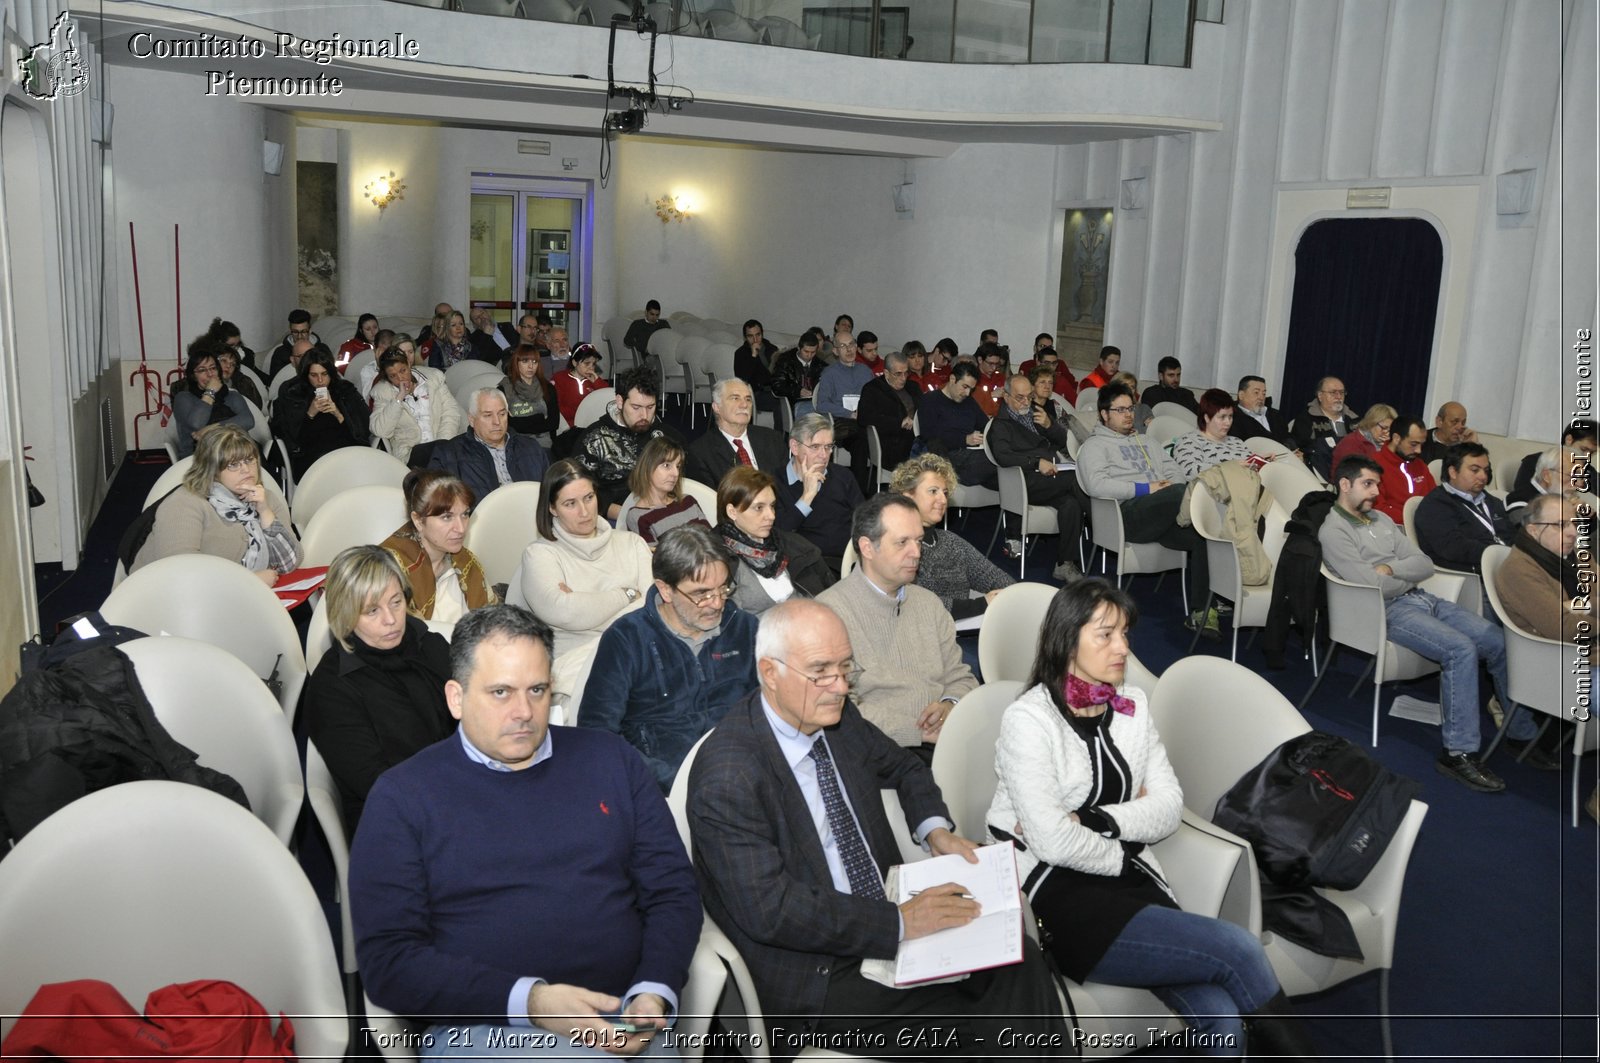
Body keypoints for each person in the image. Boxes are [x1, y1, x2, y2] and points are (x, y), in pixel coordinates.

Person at [687, 599, 1069, 1061]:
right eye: (821, 671)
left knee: (1020, 962)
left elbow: (906, 767)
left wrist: (935, 832)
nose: (839, 686)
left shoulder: (837, 719)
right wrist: (900, 922)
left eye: (846, 668)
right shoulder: (728, 774)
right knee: (987, 1031)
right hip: (818, 973)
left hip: (891, 913)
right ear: (770, 673)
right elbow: (772, 910)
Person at [349, 604, 701, 1056]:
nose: (524, 711)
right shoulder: (403, 797)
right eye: (500, 692)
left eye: (537, 690)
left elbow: (672, 890)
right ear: (455, 698)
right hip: (489, 1026)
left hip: (625, 1015)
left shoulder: (611, 760)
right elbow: (389, 961)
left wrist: (653, 990)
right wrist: (531, 1002)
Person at [987, 579, 1313, 1059]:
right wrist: (1117, 850)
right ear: (1066, 639)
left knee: (1222, 1017)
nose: (1122, 648)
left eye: (1125, 634)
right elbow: (1053, 845)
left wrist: (1096, 820)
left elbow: (1166, 807)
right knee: (1240, 949)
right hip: (1057, 896)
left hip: (1131, 882)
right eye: (1105, 635)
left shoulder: (1132, 705)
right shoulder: (1029, 721)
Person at [1319, 455, 1551, 789]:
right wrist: (1395, 575)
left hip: (1422, 598)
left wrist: (1392, 569)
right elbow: (1374, 587)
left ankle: (1519, 733)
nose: (1376, 491)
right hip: (1385, 611)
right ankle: (1458, 753)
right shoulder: (1334, 530)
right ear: (1344, 485)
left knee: (1498, 641)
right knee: (1460, 649)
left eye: (1376, 484)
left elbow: (1423, 564)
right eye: (1367, 484)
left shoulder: (1381, 518)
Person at [580, 524, 760, 791]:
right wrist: (675, 782)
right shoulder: (627, 639)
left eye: (723, 588)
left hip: (746, 776)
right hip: (664, 788)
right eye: (701, 593)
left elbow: (777, 709)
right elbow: (597, 736)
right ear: (665, 590)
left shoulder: (745, 629)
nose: (717, 603)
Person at [304, 545, 455, 832]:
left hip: (459, 796)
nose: (390, 619)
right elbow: (377, 784)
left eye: (396, 602)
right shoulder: (333, 687)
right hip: (397, 824)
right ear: (345, 615)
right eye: (372, 611)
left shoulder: (428, 644)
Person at [818, 494, 977, 753]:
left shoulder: (928, 603)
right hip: (879, 749)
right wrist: (918, 732)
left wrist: (950, 704)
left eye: (918, 540)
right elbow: (840, 711)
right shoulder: (828, 615)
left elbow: (960, 676)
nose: (916, 553)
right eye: (902, 542)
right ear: (868, 548)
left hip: (945, 736)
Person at [511, 459, 654, 700]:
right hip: (572, 670)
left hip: (636, 655)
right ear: (552, 508)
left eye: (589, 498)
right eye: (570, 503)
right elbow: (564, 611)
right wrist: (627, 594)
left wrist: (587, 606)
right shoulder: (540, 554)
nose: (585, 511)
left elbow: (652, 608)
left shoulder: (632, 543)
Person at [1078, 383, 1213, 636]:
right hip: (1126, 516)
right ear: (1104, 414)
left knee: (1203, 536)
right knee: (1190, 495)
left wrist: (1165, 487)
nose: (1129, 414)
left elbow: (1176, 471)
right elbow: (1097, 485)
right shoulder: (1094, 446)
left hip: (1163, 512)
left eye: (1130, 408)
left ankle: (1201, 612)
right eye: (1120, 410)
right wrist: (1145, 488)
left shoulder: (1147, 441)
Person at [132, 423, 299, 585]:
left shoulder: (265, 498)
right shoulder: (184, 504)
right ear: (212, 470)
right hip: (168, 601)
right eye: (233, 465)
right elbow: (180, 574)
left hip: (238, 599)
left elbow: (290, 563)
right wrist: (249, 582)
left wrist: (264, 511)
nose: (246, 470)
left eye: (250, 460)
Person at [891, 453, 1014, 620]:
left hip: (958, 631)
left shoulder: (950, 541)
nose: (942, 499)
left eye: (945, 492)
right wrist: (981, 604)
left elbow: (993, 576)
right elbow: (912, 603)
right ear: (907, 496)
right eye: (933, 491)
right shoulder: (894, 546)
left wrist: (1012, 594)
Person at [989, 373, 1085, 581]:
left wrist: (1050, 426)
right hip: (1024, 482)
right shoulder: (1001, 424)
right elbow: (1003, 456)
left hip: (1049, 479)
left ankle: (1065, 563)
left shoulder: (1036, 413)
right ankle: (1102, 521)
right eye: (1020, 397)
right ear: (1006, 397)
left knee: (1071, 504)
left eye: (1029, 396)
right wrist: (1035, 462)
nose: (1026, 402)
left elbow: (1062, 442)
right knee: (1077, 480)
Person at [381, 469, 494, 629]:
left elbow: (491, 625)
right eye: (447, 517)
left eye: (465, 514)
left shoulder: (467, 563)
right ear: (418, 520)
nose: (461, 528)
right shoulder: (388, 571)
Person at [716, 466, 832, 615]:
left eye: (772, 506)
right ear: (732, 512)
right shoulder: (718, 561)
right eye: (759, 508)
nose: (771, 516)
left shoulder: (791, 544)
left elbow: (828, 594)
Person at [576, 367, 686, 520]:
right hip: (613, 516)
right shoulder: (594, 438)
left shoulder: (667, 436)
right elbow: (578, 489)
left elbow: (685, 483)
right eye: (636, 407)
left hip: (663, 512)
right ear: (620, 401)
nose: (644, 416)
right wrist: (624, 514)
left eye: (650, 407)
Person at [1498, 491, 1594, 661]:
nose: (1573, 532)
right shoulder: (1519, 570)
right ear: (1534, 530)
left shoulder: (1577, 555)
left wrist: (1573, 606)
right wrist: (1590, 605)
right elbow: (1565, 629)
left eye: (1575, 523)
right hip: (1561, 662)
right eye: (1561, 525)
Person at [771, 412, 866, 566]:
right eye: (815, 447)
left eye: (828, 447)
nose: (824, 455)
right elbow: (779, 534)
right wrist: (806, 497)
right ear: (794, 447)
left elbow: (864, 520)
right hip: (806, 567)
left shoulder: (843, 476)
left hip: (850, 561)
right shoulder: (775, 483)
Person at [429, 388, 552, 500]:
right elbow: (437, 502)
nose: (497, 422)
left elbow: (551, 493)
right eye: (488, 415)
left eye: (502, 414)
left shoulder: (531, 448)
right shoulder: (449, 454)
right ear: (471, 419)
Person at [269, 345, 369, 478]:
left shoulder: (345, 390)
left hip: (345, 451)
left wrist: (338, 414)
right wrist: (309, 413)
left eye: (324, 374)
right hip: (310, 456)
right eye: (314, 375)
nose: (320, 381)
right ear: (306, 375)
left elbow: (362, 431)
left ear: (331, 373)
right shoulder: (293, 393)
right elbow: (289, 437)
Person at [1413, 442, 1513, 575]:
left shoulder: (1492, 502)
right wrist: (1499, 555)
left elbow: (1511, 535)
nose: (1483, 476)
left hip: (1504, 567)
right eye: (1475, 470)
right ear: (1453, 472)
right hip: (1471, 575)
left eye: (1486, 470)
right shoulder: (1435, 505)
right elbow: (1454, 548)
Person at [369, 347, 465, 465]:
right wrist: (398, 399)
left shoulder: (433, 378)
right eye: (393, 376)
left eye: (403, 371)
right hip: (413, 452)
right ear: (388, 378)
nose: (400, 379)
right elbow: (380, 431)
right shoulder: (382, 392)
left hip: (444, 443)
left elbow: (451, 413)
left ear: (409, 364)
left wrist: (443, 444)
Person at [683, 378, 785, 487]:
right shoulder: (701, 452)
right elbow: (709, 499)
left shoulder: (772, 439)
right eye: (735, 398)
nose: (744, 405)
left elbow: (786, 486)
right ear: (717, 407)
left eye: (748, 399)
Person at [916, 362, 997, 489]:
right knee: (1000, 461)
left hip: (970, 456)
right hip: (947, 457)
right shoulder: (931, 400)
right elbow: (929, 435)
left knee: (1007, 472)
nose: (967, 393)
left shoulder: (969, 402)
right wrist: (964, 439)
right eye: (965, 386)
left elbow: (986, 426)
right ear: (952, 379)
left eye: (971, 389)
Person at [620, 436, 711, 546]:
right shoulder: (639, 517)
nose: (676, 473)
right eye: (667, 465)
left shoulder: (688, 501)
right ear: (647, 467)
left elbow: (712, 541)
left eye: (678, 466)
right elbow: (656, 560)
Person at [813, 330, 875, 492]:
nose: (849, 349)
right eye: (843, 346)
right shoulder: (829, 373)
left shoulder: (866, 372)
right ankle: (859, 493)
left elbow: (876, 398)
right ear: (835, 351)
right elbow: (821, 404)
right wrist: (849, 413)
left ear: (857, 347)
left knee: (863, 439)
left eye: (851, 344)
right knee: (861, 437)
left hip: (863, 424)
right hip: (842, 423)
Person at [171, 339, 252, 459]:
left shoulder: (232, 396)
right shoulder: (183, 398)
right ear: (193, 376)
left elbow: (248, 421)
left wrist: (213, 428)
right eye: (202, 370)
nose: (210, 374)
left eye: (213, 368)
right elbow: (197, 424)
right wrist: (210, 392)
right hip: (197, 458)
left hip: (234, 452)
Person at [1170, 388, 1264, 478]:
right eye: (1222, 417)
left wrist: (1260, 461)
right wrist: (1230, 467)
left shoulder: (1236, 441)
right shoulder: (1189, 441)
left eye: (1230, 416)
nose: (1228, 422)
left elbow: (1248, 465)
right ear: (1206, 418)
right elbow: (1189, 471)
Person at [855, 349, 920, 474]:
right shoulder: (872, 389)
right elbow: (865, 417)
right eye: (898, 374)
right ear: (886, 373)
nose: (903, 378)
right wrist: (898, 423)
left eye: (906, 373)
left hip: (916, 436)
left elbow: (923, 409)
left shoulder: (913, 387)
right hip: (889, 441)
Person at [1372, 415, 1436, 524]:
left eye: (1422, 445)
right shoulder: (1373, 465)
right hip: (1393, 529)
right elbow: (1378, 510)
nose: (1419, 450)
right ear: (1397, 438)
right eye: (1413, 444)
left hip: (1425, 527)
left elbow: (1435, 500)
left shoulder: (1420, 465)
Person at [1512, 419, 1597, 501]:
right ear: (1569, 440)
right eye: (1583, 449)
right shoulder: (1533, 462)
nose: (1587, 456)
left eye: (1592, 452)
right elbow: (1523, 495)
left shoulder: (1590, 471)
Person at [1290, 376, 1358, 479]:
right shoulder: (1306, 420)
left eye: (1341, 392)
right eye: (1333, 392)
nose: (1338, 396)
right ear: (1320, 395)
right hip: (1316, 474)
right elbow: (1303, 449)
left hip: (1350, 473)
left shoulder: (1354, 421)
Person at [499, 343, 558, 440]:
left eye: (535, 362)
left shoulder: (548, 388)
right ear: (516, 363)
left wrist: (521, 422)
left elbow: (553, 423)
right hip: (515, 442)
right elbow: (506, 424)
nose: (531, 366)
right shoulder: (504, 389)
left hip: (543, 442)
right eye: (525, 361)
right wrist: (538, 419)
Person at [1227, 375, 1297, 452]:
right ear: (1241, 395)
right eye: (1256, 393)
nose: (1261, 397)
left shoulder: (1276, 415)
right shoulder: (1231, 418)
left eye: (1263, 393)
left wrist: (1293, 449)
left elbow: (1286, 436)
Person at [770, 327, 826, 417]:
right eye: (806, 351)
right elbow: (777, 385)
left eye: (813, 352)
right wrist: (797, 391)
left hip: (814, 402)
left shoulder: (820, 365)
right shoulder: (785, 361)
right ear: (799, 348)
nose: (809, 355)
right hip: (791, 402)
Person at [552, 343, 609, 431]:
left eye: (593, 364)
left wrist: (597, 382)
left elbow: (608, 400)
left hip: (591, 427)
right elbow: (556, 409)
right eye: (587, 363)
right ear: (575, 363)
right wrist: (581, 412)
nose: (591, 368)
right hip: (567, 428)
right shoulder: (559, 379)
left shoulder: (594, 381)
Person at [1329, 403, 1396, 473]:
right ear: (1371, 423)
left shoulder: (1387, 444)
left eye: (1390, 430)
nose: (1387, 433)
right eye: (1384, 428)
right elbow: (1361, 474)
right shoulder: (1351, 443)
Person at [734, 317, 782, 415]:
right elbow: (743, 379)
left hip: (775, 390)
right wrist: (753, 356)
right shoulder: (741, 353)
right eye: (750, 336)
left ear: (762, 334)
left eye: (758, 335)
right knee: (781, 404)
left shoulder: (772, 349)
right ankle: (780, 431)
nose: (755, 339)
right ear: (745, 338)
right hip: (756, 393)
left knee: (790, 400)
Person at [266, 308, 319, 379]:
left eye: (303, 332)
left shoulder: (321, 350)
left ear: (310, 331)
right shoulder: (280, 353)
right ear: (290, 331)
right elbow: (276, 382)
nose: (299, 336)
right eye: (295, 332)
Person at [216, 346, 263, 410]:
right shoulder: (203, 387)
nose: (228, 366)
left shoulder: (243, 383)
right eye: (224, 360)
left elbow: (256, 409)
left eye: (233, 364)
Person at [623, 298, 670, 363]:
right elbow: (627, 340)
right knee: (655, 360)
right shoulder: (637, 324)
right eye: (652, 314)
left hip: (663, 354)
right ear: (646, 312)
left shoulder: (664, 324)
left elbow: (669, 339)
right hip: (648, 356)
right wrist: (643, 347)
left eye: (657, 315)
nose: (654, 317)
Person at [972, 342, 1009, 418]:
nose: (994, 368)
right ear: (980, 360)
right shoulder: (972, 378)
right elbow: (972, 406)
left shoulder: (1001, 377)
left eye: (997, 364)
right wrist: (991, 395)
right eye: (990, 363)